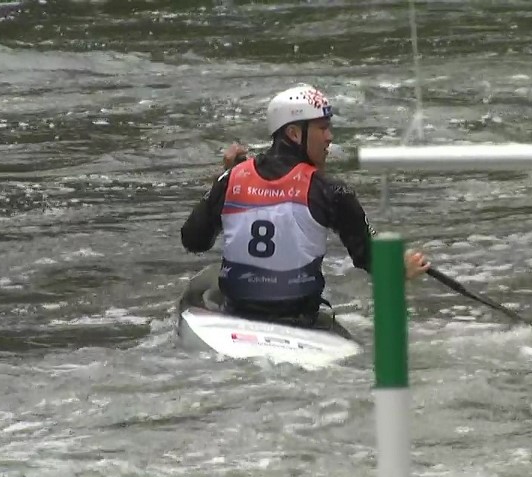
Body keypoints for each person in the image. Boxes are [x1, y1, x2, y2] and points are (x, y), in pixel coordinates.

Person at [179, 83, 429, 329]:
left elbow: (193, 240)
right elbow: (371, 258)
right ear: (294, 134)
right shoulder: (330, 190)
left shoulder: (231, 179)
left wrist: (222, 182)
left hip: (236, 314)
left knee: (206, 284)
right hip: (300, 323)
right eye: (322, 128)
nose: (330, 137)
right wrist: (400, 268)